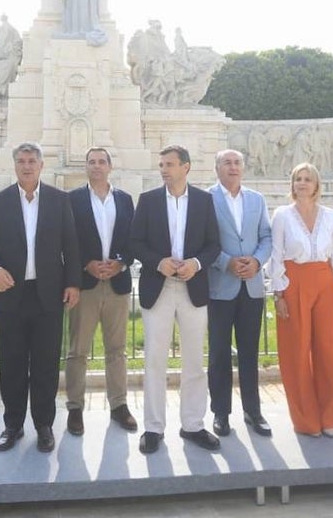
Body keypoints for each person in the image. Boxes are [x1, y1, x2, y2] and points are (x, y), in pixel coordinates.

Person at [0, 142, 82, 453]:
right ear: (15, 165)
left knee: (46, 362)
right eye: (21, 160)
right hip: (11, 294)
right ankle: (13, 425)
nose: (27, 166)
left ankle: (44, 425)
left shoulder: (59, 200)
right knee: (11, 361)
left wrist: (74, 283)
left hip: (48, 294)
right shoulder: (0, 201)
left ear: (41, 165)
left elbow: (71, 245)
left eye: (32, 161)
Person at [130, 145, 221, 454]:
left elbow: (214, 244)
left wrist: (195, 264)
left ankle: (193, 425)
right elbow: (135, 242)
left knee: (194, 362)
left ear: (186, 167)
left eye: (169, 164)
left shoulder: (205, 201)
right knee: (155, 360)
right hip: (159, 288)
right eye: (161, 164)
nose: (164, 169)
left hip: (193, 289)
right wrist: (159, 262)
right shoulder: (148, 200)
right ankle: (153, 429)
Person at [269, 163, 333, 437]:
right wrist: (278, 292)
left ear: (317, 185)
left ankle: (329, 418)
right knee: (296, 351)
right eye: (298, 179)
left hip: (325, 282)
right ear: (292, 185)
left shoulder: (330, 217)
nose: (302, 183)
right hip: (294, 282)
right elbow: (276, 254)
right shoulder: (282, 215)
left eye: (308, 179)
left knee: (327, 351)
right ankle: (306, 420)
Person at [64, 147, 137, 437]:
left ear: (110, 166)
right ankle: (75, 407)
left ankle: (119, 405)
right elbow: (67, 241)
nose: (96, 166)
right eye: (91, 162)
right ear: (86, 167)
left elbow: (134, 239)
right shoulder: (73, 200)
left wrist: (121, 263)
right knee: (77, 350)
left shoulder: (124, 200)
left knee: (116, 350)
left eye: (101, 162)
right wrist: (86, 264)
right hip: (86, 284)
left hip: (117, 284)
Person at [207, 149, 273, 438]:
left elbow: (266, 236)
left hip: (252, 286)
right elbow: (202, 241)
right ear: (217, 168)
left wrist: (257, 261)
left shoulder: (256, 199)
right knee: (219, 353)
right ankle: (221, 413)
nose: (233, 167)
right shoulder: (205, 199)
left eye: (237, 163)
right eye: (227, 163)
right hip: (221, 286)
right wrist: (226, 263)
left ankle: (253, 411)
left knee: (250, 352)